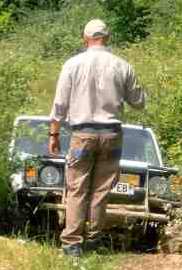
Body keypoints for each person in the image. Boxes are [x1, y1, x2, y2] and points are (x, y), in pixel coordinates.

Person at [47, 19, 145, 257]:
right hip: (111, 135)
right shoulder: (123, 66)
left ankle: (72, 245)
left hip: (82, 134)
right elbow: (139, 102)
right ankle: (93, 241)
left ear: (85, 37)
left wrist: (54, 133)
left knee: (77, 188)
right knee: (101, 190)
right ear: (107, 37)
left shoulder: (72, 65)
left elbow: (60, 104)